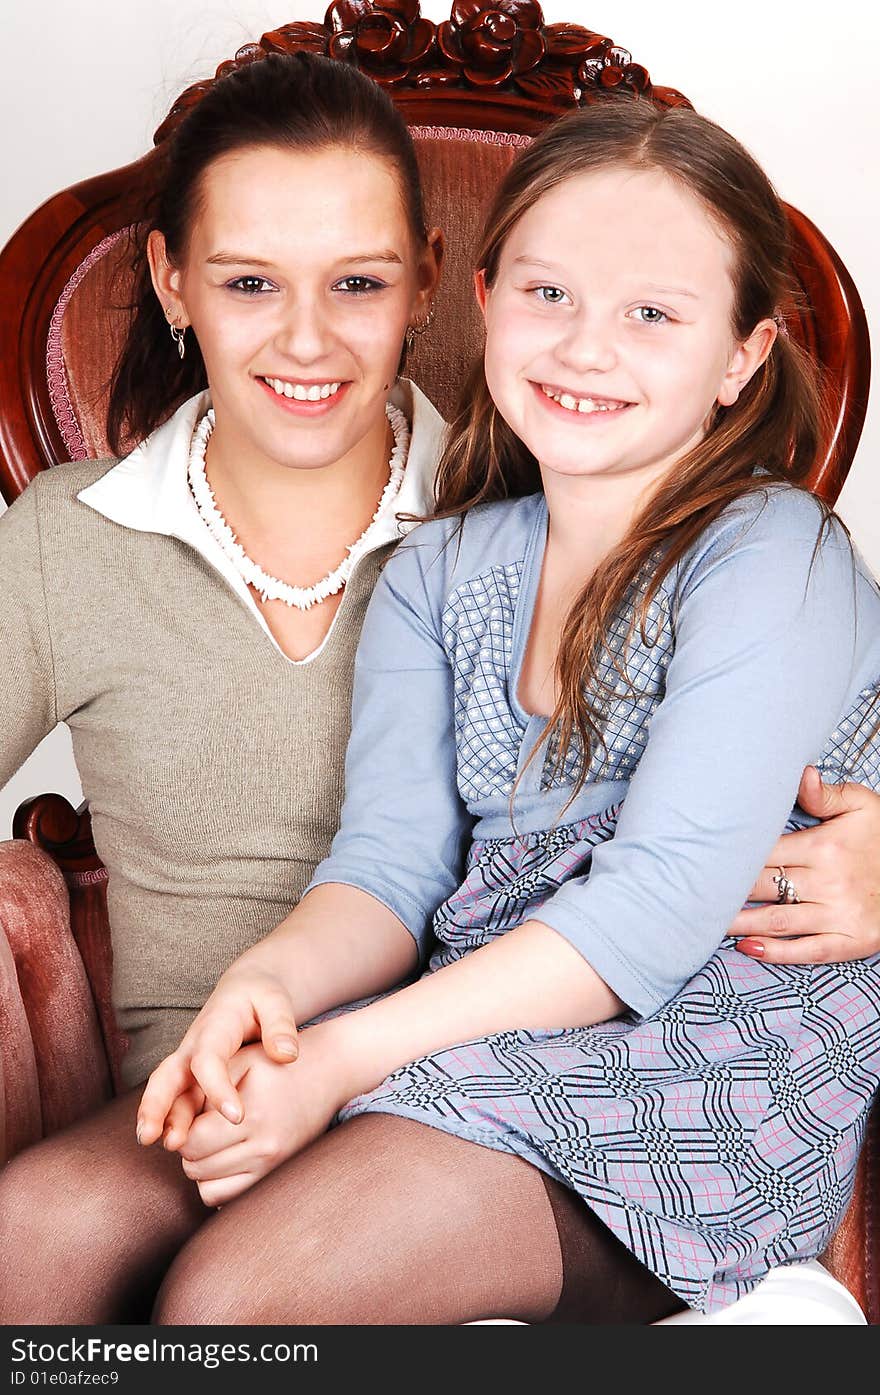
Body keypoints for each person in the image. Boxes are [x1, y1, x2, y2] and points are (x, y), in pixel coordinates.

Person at [0, 56, 876, 1324]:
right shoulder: (442, 566)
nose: (587, 347)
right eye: (549, 294)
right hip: (455, 1036)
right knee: (31, 1250)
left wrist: (345, 1048)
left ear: (745, 356)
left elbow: (653, 912)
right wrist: (276, 988)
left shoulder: (768, 552)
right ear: (483, 293)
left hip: (691, 1075)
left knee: (236, 1306)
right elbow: (391, 867)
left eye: (653, 315)